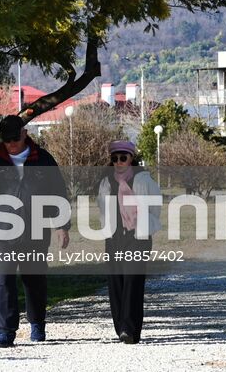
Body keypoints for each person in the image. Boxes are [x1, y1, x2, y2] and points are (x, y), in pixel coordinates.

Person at [0, 114, 71, 348]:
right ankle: (5, 331)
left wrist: (62, 226)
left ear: (25, 134)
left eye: (15, 138)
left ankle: (37, 324)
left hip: (36, 229)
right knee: (3, 279)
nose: (12, 144)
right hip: (2, 231)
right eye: (7, 139)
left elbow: (58, 194)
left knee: (34, 278)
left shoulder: (43, 159)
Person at [95, 139, 161, 345]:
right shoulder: (106, 182)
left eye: (123, 157)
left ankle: (129, 329)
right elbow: (101, 208)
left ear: (131, 158)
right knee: (116, 283)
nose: (119, 162)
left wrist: (145, 225)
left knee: (132, 281)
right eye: (115, 158)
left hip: (137, 237)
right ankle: (121, 327)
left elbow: (155, 206)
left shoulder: (143, 180)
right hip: (114, 237)